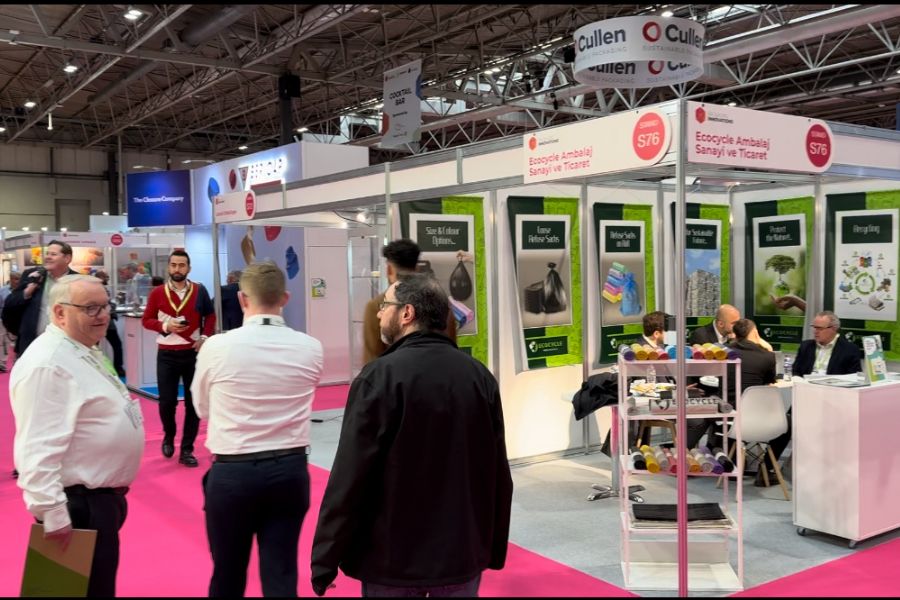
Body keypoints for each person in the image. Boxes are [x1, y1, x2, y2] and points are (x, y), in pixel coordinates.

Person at [311, 273, 512, 597]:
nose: (378, 313)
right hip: (460, 555)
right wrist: (491, 547)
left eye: (384, 305)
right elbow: (497, 473)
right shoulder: (478, 376)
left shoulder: (379, 377)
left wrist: (325, 557)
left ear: (407, 313)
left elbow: (350, 476)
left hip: (392, 560)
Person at [193, 261, 324, 597]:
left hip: (233, 473)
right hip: (290, 471)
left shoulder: (216, 347)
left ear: (241, 300)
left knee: (227, 572)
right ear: (285, 297)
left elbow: (201, 407)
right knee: (281, 573)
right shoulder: (310, 346)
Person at [10, 274, 144, 597]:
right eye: (90, 308)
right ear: (59, 313)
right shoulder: (49, 364)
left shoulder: (81, 348)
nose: (102, 315)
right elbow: (36, 446)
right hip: (76, 507)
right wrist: (52, 511)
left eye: (105, 306)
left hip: (98, 502)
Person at [142, 250, 216, 468]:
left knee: (193, 403)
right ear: (168, 267)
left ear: (189, 268)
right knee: (167, 402)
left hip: (192, 353)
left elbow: (210, 315)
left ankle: (187, 448)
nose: (177, 269)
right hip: (166, 354)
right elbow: (146, 320)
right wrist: (165, 326)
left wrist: (204, 336)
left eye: (181, 265)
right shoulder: (157, 293)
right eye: (173, 265)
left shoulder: (200, 290)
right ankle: (168, 436)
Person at [362, 239, 457, 366]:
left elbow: (372, 359)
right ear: (417, 268)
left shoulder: (376, 306)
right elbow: (451, 348)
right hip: (441, 378)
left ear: (389, 270)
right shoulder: (441, 302)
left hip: (395, 382)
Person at [1, 240, 78, 357]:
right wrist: (27, 291)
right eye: (47, 254)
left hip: (67, 348)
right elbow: (10, 304)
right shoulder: (32, 275)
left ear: (67, 258)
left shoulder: (78, 281)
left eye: (53, 254)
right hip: (32, 346)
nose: (48, 257)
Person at [791, 310, 861, 377]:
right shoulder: (806, 346)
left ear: (834, 328)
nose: (816, 331)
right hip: (806, 386)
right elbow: (796, 371)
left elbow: (854, 377)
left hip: (833, 388)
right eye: (815, 327)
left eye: (820, 328)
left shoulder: (849, 350)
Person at [95, 270, 126, 377]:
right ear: (100, 278)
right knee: (116, 345)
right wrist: (112, 310)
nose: (108, 278)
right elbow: (106, 304)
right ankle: (118, 368)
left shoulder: (97, 289)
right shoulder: (99, 290)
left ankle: (115, 368)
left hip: (104, 322)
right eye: (106, 277)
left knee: (95, 346)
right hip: (104, 322)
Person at [0, 271, 21, 372]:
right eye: (16, 279)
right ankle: (2, 363)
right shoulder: (3, 291)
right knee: (2, 342)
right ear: (11, 279)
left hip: (18, 320)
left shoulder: (23, 290)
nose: (18, 281)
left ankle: (17, 363)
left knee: (18, 342)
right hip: (4, 320)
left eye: (19, 279)